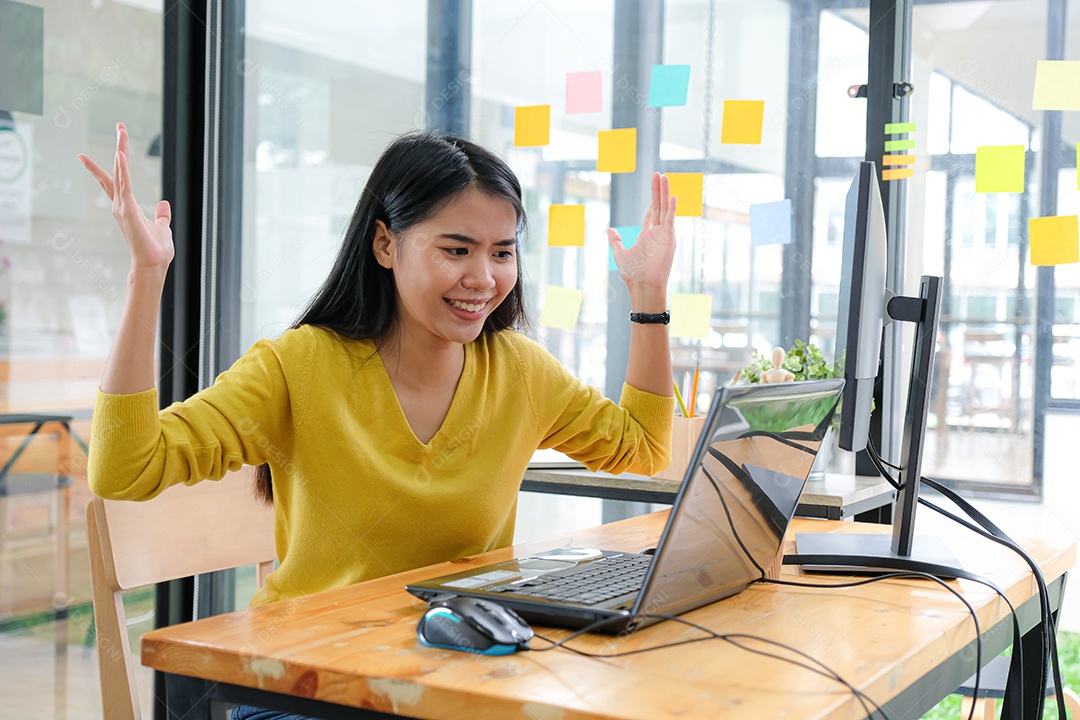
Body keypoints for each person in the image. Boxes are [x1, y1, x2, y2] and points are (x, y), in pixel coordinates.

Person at [81, 123, 677, 719]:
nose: (483, 278)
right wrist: (147, 275)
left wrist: (648, 295)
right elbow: (125, 468)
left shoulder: (519, 370)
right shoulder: (300, 364)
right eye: (456, 250)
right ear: (386, 244)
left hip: (452, 676)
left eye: (502, 252)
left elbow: (644, 447)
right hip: (307, 686)